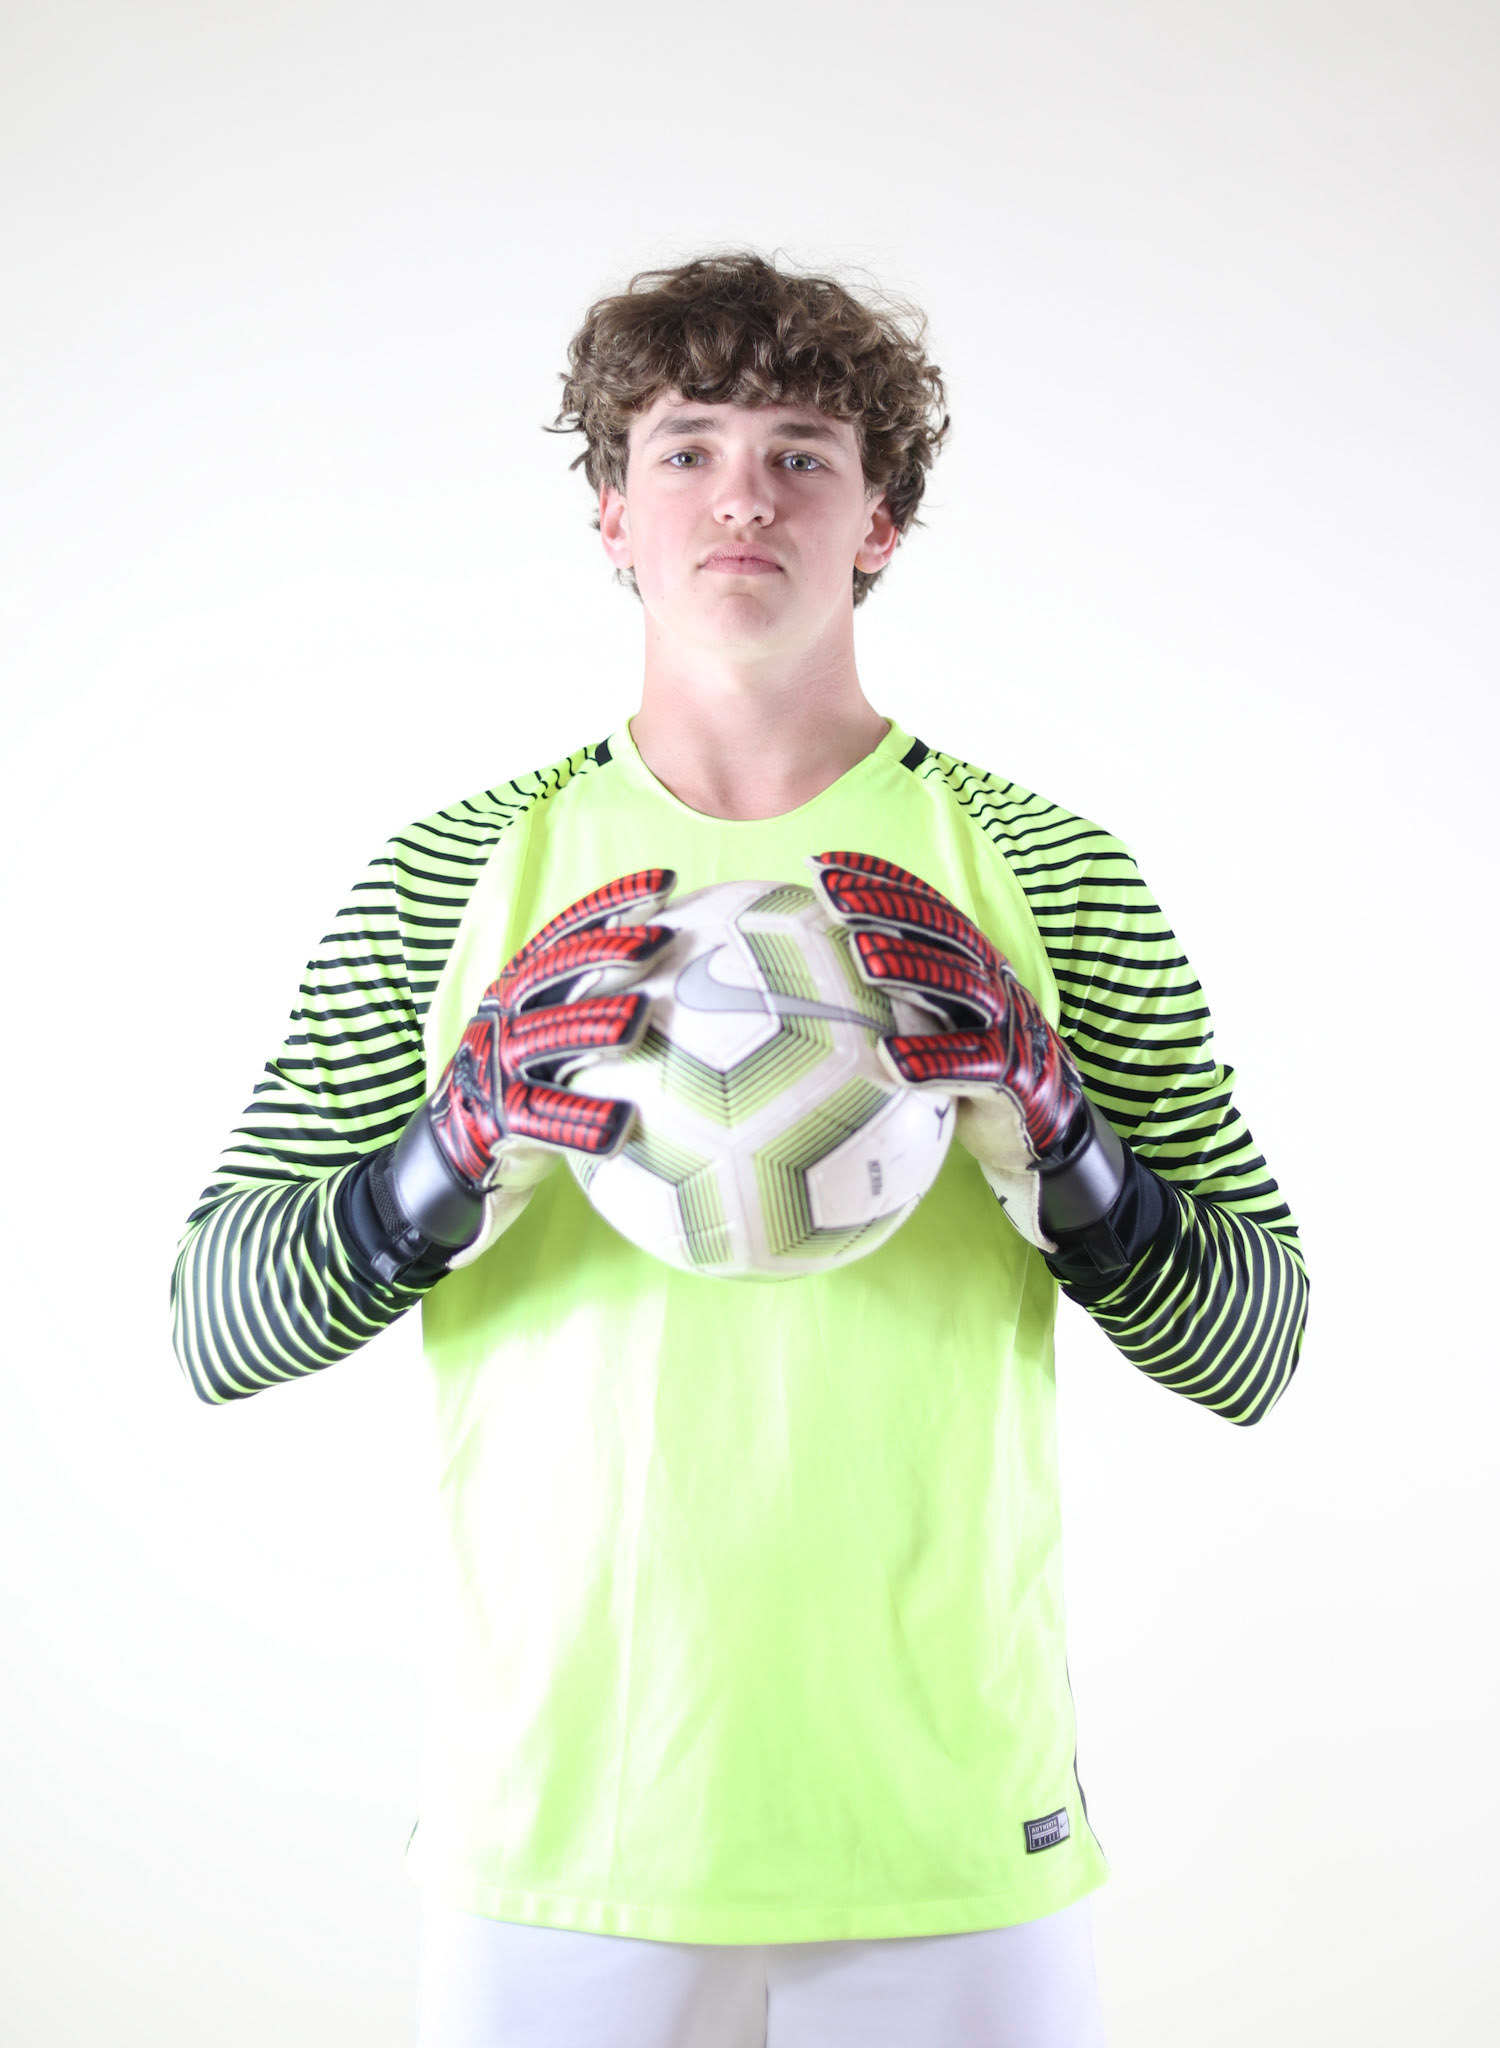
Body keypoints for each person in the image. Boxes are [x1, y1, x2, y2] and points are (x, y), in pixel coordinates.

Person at [171, 250, 1308, 2048]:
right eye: (687, 448)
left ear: (884, 521)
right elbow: (211, 1325)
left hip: (948, 1822)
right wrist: (441, 1159)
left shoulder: (1050, 870)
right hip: (561, 1828)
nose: (742, 497)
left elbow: (1259, 1344)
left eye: (803, 452)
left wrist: (1061, 1143)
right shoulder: (451, 873)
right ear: (609, 514)